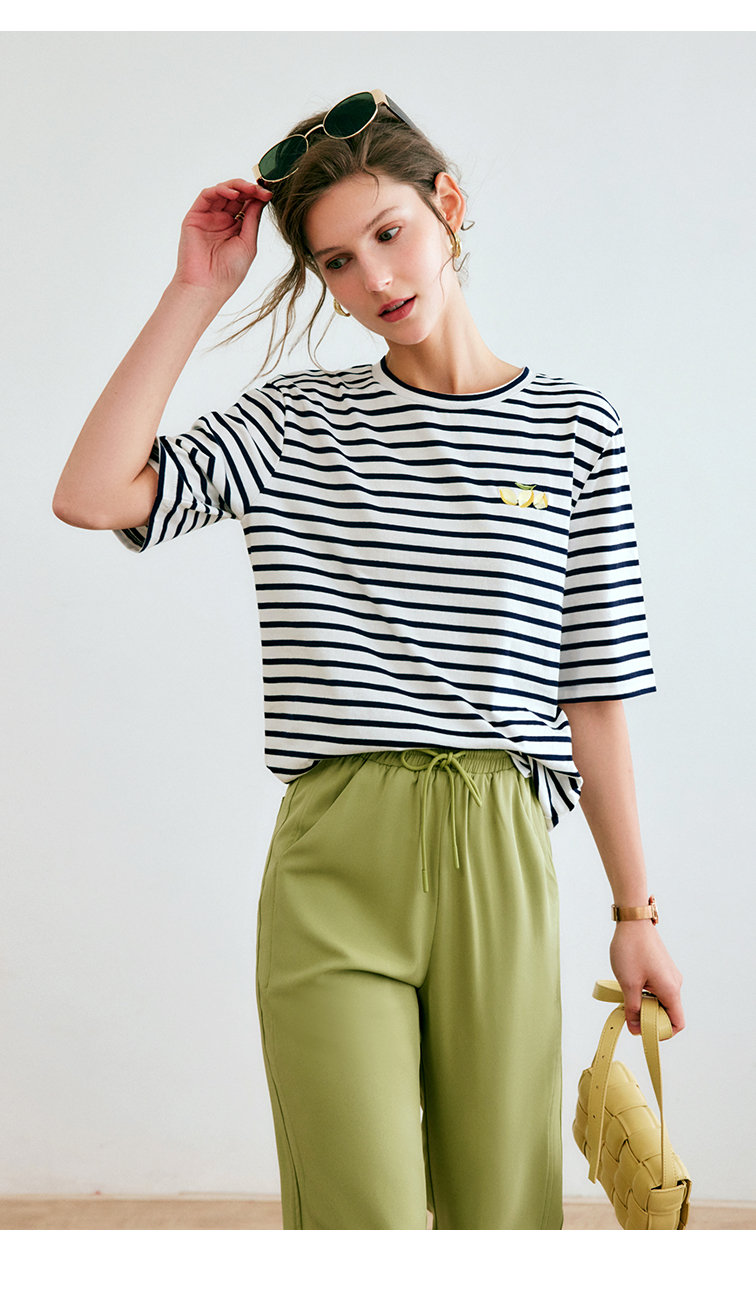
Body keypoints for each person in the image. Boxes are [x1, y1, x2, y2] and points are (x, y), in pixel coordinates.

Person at [52, 89, 684, 1231]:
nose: (375, 279)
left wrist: (634, 909)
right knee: (359, 1223)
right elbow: (93, 494)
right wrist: (196, 289)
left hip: (499, 839)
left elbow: (593, 690)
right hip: (337, 851)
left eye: (389, 233)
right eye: (336, 262)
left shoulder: (576, 427)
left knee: (501, 1219)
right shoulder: (291, 424)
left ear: (448, 207)